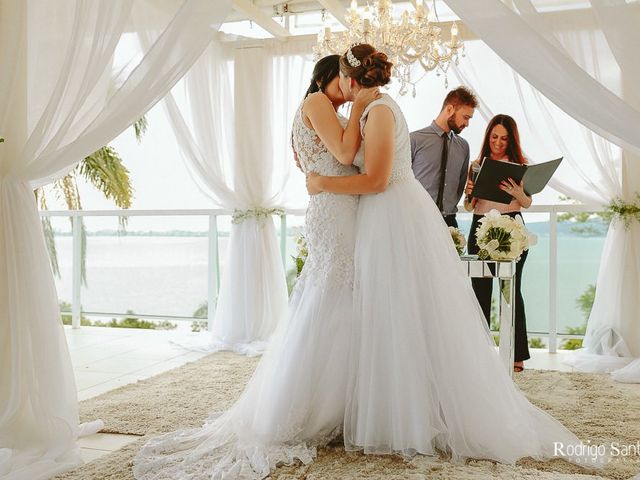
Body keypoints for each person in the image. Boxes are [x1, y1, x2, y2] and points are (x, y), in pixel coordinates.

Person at [307, 44, 601, 467]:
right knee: (385, 311)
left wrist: (320, 185)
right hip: (380, 217)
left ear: (351, 80)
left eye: (342, 82)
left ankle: (408, 414)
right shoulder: (370, 112)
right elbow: (350, 156)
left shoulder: (383, 112)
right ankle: (389, 404)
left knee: (404, 310)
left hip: (391, 215)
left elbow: (374, 180)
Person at [132, 55, 379, 480]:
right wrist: (359, 110)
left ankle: (342, 400)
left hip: (338, 206)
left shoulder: (329, 110)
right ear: (325, 77)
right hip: (334, 211)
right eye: (342, 78)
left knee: (337, 298)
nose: (348, 85)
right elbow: (343, 150)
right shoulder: (319, 102)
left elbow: (336, 156)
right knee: (329, 298)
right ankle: (312, 405)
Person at [463, 114, 532, 373]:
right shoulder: (477, 165)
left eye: (504, 138)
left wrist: (518, 193)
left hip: (512, 227)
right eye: (494, 137)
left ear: (511, 139)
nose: (498, 142)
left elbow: (527, 203)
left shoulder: (520, 166)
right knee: (479, 290)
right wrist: (470, 193)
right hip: (480, 227)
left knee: (511, 292)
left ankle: (517, 354)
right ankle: (478, 351)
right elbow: (469, 206)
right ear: (487, 137)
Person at [410, 86, 477, 227]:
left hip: (449, 222)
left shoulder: (463, 146)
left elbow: (459, 186)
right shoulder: (414, 140)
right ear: (449, 110)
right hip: (418, 219)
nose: (467, 124)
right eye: (465, 117)